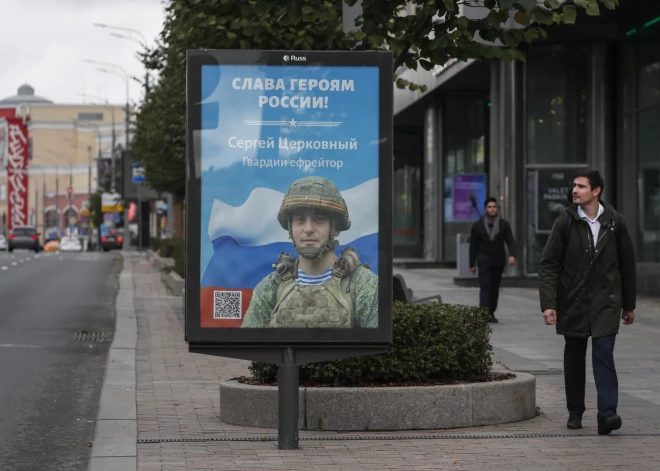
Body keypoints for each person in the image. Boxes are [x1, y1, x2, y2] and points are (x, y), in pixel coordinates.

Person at [538, 167, 637, 435]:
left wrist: (629, 305)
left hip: (606, 302)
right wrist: (549, 303)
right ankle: (575, 411)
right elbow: (548, 265)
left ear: (596, 191)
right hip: (574, 301)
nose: (575, 190)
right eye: (574, 186)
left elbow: (627, 266)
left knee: (603, 354)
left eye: (581, 186)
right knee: (574, 357)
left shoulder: (616, 222)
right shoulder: (565, 223)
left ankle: (607, 414)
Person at [241, 176, 378, 328]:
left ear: (336, 228)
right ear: (290, 228)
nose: (308, 229)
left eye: (319, 219)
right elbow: (251, 347)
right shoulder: (271, 287)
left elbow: (377, 349)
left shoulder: (362, 284)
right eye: (300, 220)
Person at [469, 197, 517, 323]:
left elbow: (510, 240)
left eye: (494, 207)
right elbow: (473, 246)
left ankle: (491, 311)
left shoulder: (503, 224)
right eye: (490, 207)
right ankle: (484, 313)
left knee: (494, 288)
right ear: (485, 209)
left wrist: (512, 255)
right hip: (483, 261)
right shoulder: (478, 225)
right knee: (485, 287)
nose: (492, 209)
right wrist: (472, 263)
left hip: (498, 261)